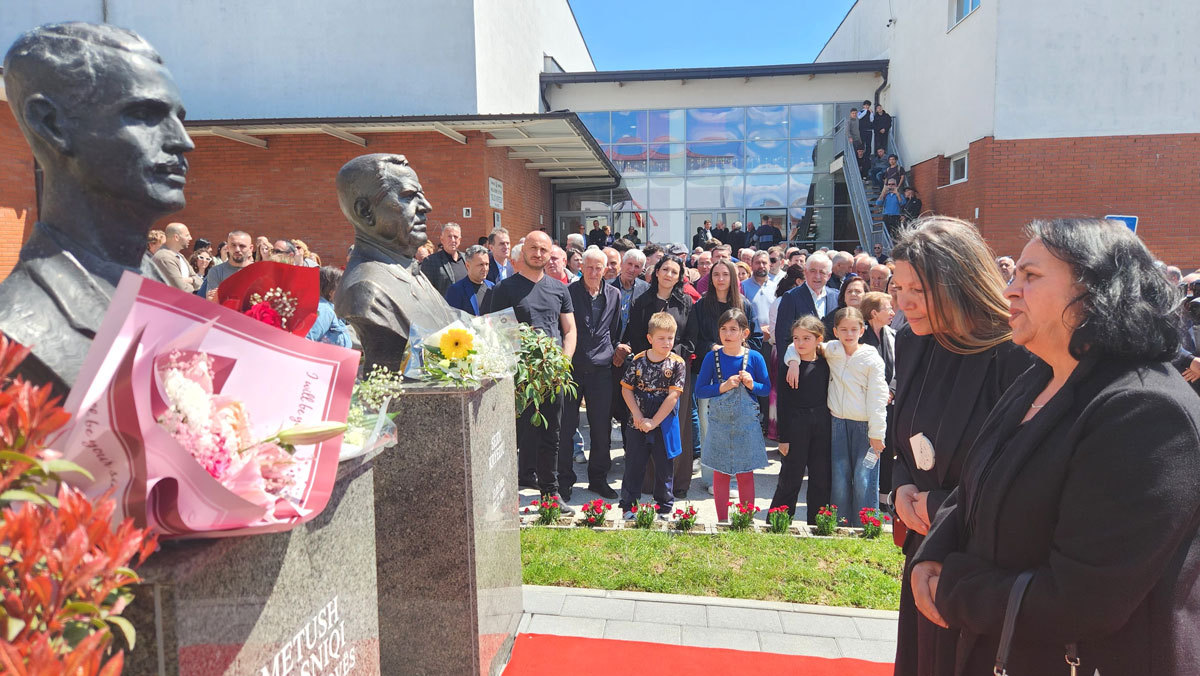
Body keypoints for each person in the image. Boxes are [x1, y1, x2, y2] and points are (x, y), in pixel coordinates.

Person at [910, 218, 1200, 675]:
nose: (1009, 290)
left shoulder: (1146, 410)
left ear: (1096, 292)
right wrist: (931, 553)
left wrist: (954, 588)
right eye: (1015, 275)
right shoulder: (1042, 376)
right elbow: (976, 483)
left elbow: (1086, 598)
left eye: (1030, 276)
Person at [0, 22, 191, 394]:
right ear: (52, 125)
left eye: (178, 118)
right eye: (144, 114)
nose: (183, 141)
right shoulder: (16, 328)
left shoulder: (163, 286)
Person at [886, 216, 1032, 676]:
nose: (904, 302)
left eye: (918, 289)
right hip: (924, 546)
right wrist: (901, 486)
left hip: (982, 560)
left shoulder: (1015, 353)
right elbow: (903, 434)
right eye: (898, 287)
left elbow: (1023, 470)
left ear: (960, 282)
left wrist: (941, 505)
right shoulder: (911, 339)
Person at [481, 231, 577, 513]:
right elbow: (496, 332)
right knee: (513, 437)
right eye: (533, 248)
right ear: (523, 251)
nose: (538, 254)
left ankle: (550, 494)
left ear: (550, 253)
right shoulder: (504, 289)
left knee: (552, 436)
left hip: (552, 376)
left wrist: (563, 363)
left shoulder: (560, 289)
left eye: (543, 249)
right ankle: (504, 497)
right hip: (519, 378)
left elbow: (569, 330)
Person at [788, 306, 887, 525]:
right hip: (838, 423)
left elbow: (878, 397)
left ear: (862, 330)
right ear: (835, 331)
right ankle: (840, 525)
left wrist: (877, 433)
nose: (849, 334)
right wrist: (793, 361)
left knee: (863, 478)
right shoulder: (831, 350)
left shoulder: (872, 359)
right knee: (840, 478)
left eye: (853, 329)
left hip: (865, 426)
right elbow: (798, 345)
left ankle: (866, 527)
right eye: (843, 329)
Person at [622, 256, 696, 498]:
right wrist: (653, 357)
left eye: (674, 271)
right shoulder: (642, 301)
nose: (669, 274)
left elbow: (691, 338)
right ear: (656, 272)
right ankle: (648, 482)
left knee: (675, 425)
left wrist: (670, 356)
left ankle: (676, 483)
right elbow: (635, 335)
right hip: (646, 372)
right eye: (665, 269)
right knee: (647, 423)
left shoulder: (686, 302)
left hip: (677, 370)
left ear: (680, 276)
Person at [694, 308, 770, 522]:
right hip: (720, 423)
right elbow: (700, 390)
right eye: (723, 329)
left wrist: (752, 384)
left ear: (745, 333)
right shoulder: (712, 357)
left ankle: (745, 520)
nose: (727, 334)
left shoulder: (755, 357)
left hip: (747, 423)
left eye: (733, 329)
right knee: (720, 473)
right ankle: (722, 521)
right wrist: (723, 386)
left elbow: (766, 389)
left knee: (745, 473)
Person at [560, 248, 622, 500]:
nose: (594, 272)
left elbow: (614, 328)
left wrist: (611, 351)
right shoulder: (568, 293)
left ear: (605, 269)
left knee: (600, 427)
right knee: (566, 426)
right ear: (581, 268)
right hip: (573, 368)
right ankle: (564, 481)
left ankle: (598, 479)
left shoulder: (614, 294)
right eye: (589, 267)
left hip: (601, 370)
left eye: (599, 268)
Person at [618, 312, 687, 519]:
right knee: (634, 464)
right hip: (637, 420)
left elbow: (673, 396)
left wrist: (654, 422)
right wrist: (638, 415)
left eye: (670, 338)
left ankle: (664, 507)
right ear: (650, 338)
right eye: (661, 338)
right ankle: (629, 507)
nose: (667, 343)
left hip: (664, 421)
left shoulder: (677, 363)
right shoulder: (638, 361)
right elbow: (626, 389)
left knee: (664, 466)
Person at [770, 316, 831, 523]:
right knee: (790, 476)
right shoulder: (788, 366)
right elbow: (783, 403)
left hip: (822, 426)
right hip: (796, 426)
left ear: (818, 339)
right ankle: (778, 522)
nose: (800, 343)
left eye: (806, 338)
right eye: (796, 338)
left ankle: (818, 523)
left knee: (821, 477)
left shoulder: (826, 364)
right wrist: (784, 437)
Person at [859, 291, 897, 510]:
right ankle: (865, 498)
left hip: (888, 404)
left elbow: (899, 368)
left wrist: (891, 391)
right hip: (865, 406)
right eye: (888, 308)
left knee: (887, 449)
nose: (892, 312)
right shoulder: (860, 338)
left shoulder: (892, 335)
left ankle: (884, 498)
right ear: (874, 313)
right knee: (867, 452)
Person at [774, 252, 835, 353]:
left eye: (822, 272)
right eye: (813, 271)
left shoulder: (835, 297)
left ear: (829, 276)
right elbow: (783, 337)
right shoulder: (791, 297)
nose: (817, 276)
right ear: (806, 272)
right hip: (800, 360)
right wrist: (789, 361)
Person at [305, 266, 353, 348]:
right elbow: (307, 341)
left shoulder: (328, 309)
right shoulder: (324, 310)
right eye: (342, 287)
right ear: (331, 291)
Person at [444, 244, 493, 316]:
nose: (485, 268)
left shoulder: (492, 287)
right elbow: (452, 318)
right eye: (481, 265)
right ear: (468, 266)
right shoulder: (456, 290)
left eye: (487, 264)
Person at [200, 231, 254, 296]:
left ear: (251, 248)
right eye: (233, 245)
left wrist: (222, 292)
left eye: (242, 246)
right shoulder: (216, 272)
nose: (237, 249)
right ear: (227, 247)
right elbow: (211, 299)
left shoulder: (259, 271)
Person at [152, 222, 202, 291]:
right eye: (187, 235)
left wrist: (191, 280)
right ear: (176, 237)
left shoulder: (180, 256)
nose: (190, 238)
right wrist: (193, 285)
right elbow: (181, 289)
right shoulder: (164, 258)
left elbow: (200, 281)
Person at [420, 222, 466, 296]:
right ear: (442, 239)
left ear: (460, 240)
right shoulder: (431, 261)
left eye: (455, 237)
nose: (453, 240)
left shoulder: (467, 259)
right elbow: (426, 291)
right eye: (449, 237)